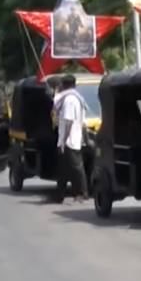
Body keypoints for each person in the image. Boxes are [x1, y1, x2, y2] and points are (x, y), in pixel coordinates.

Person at [51, 75, 89, 204]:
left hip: (69, 141)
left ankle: (82, 192)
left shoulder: (69, 100)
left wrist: (63, 141)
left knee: (76, 167)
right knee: (63, 169)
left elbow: (68, 121)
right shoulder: (76, 98)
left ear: (64, 85)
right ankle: (61, 194)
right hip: (72, 139)